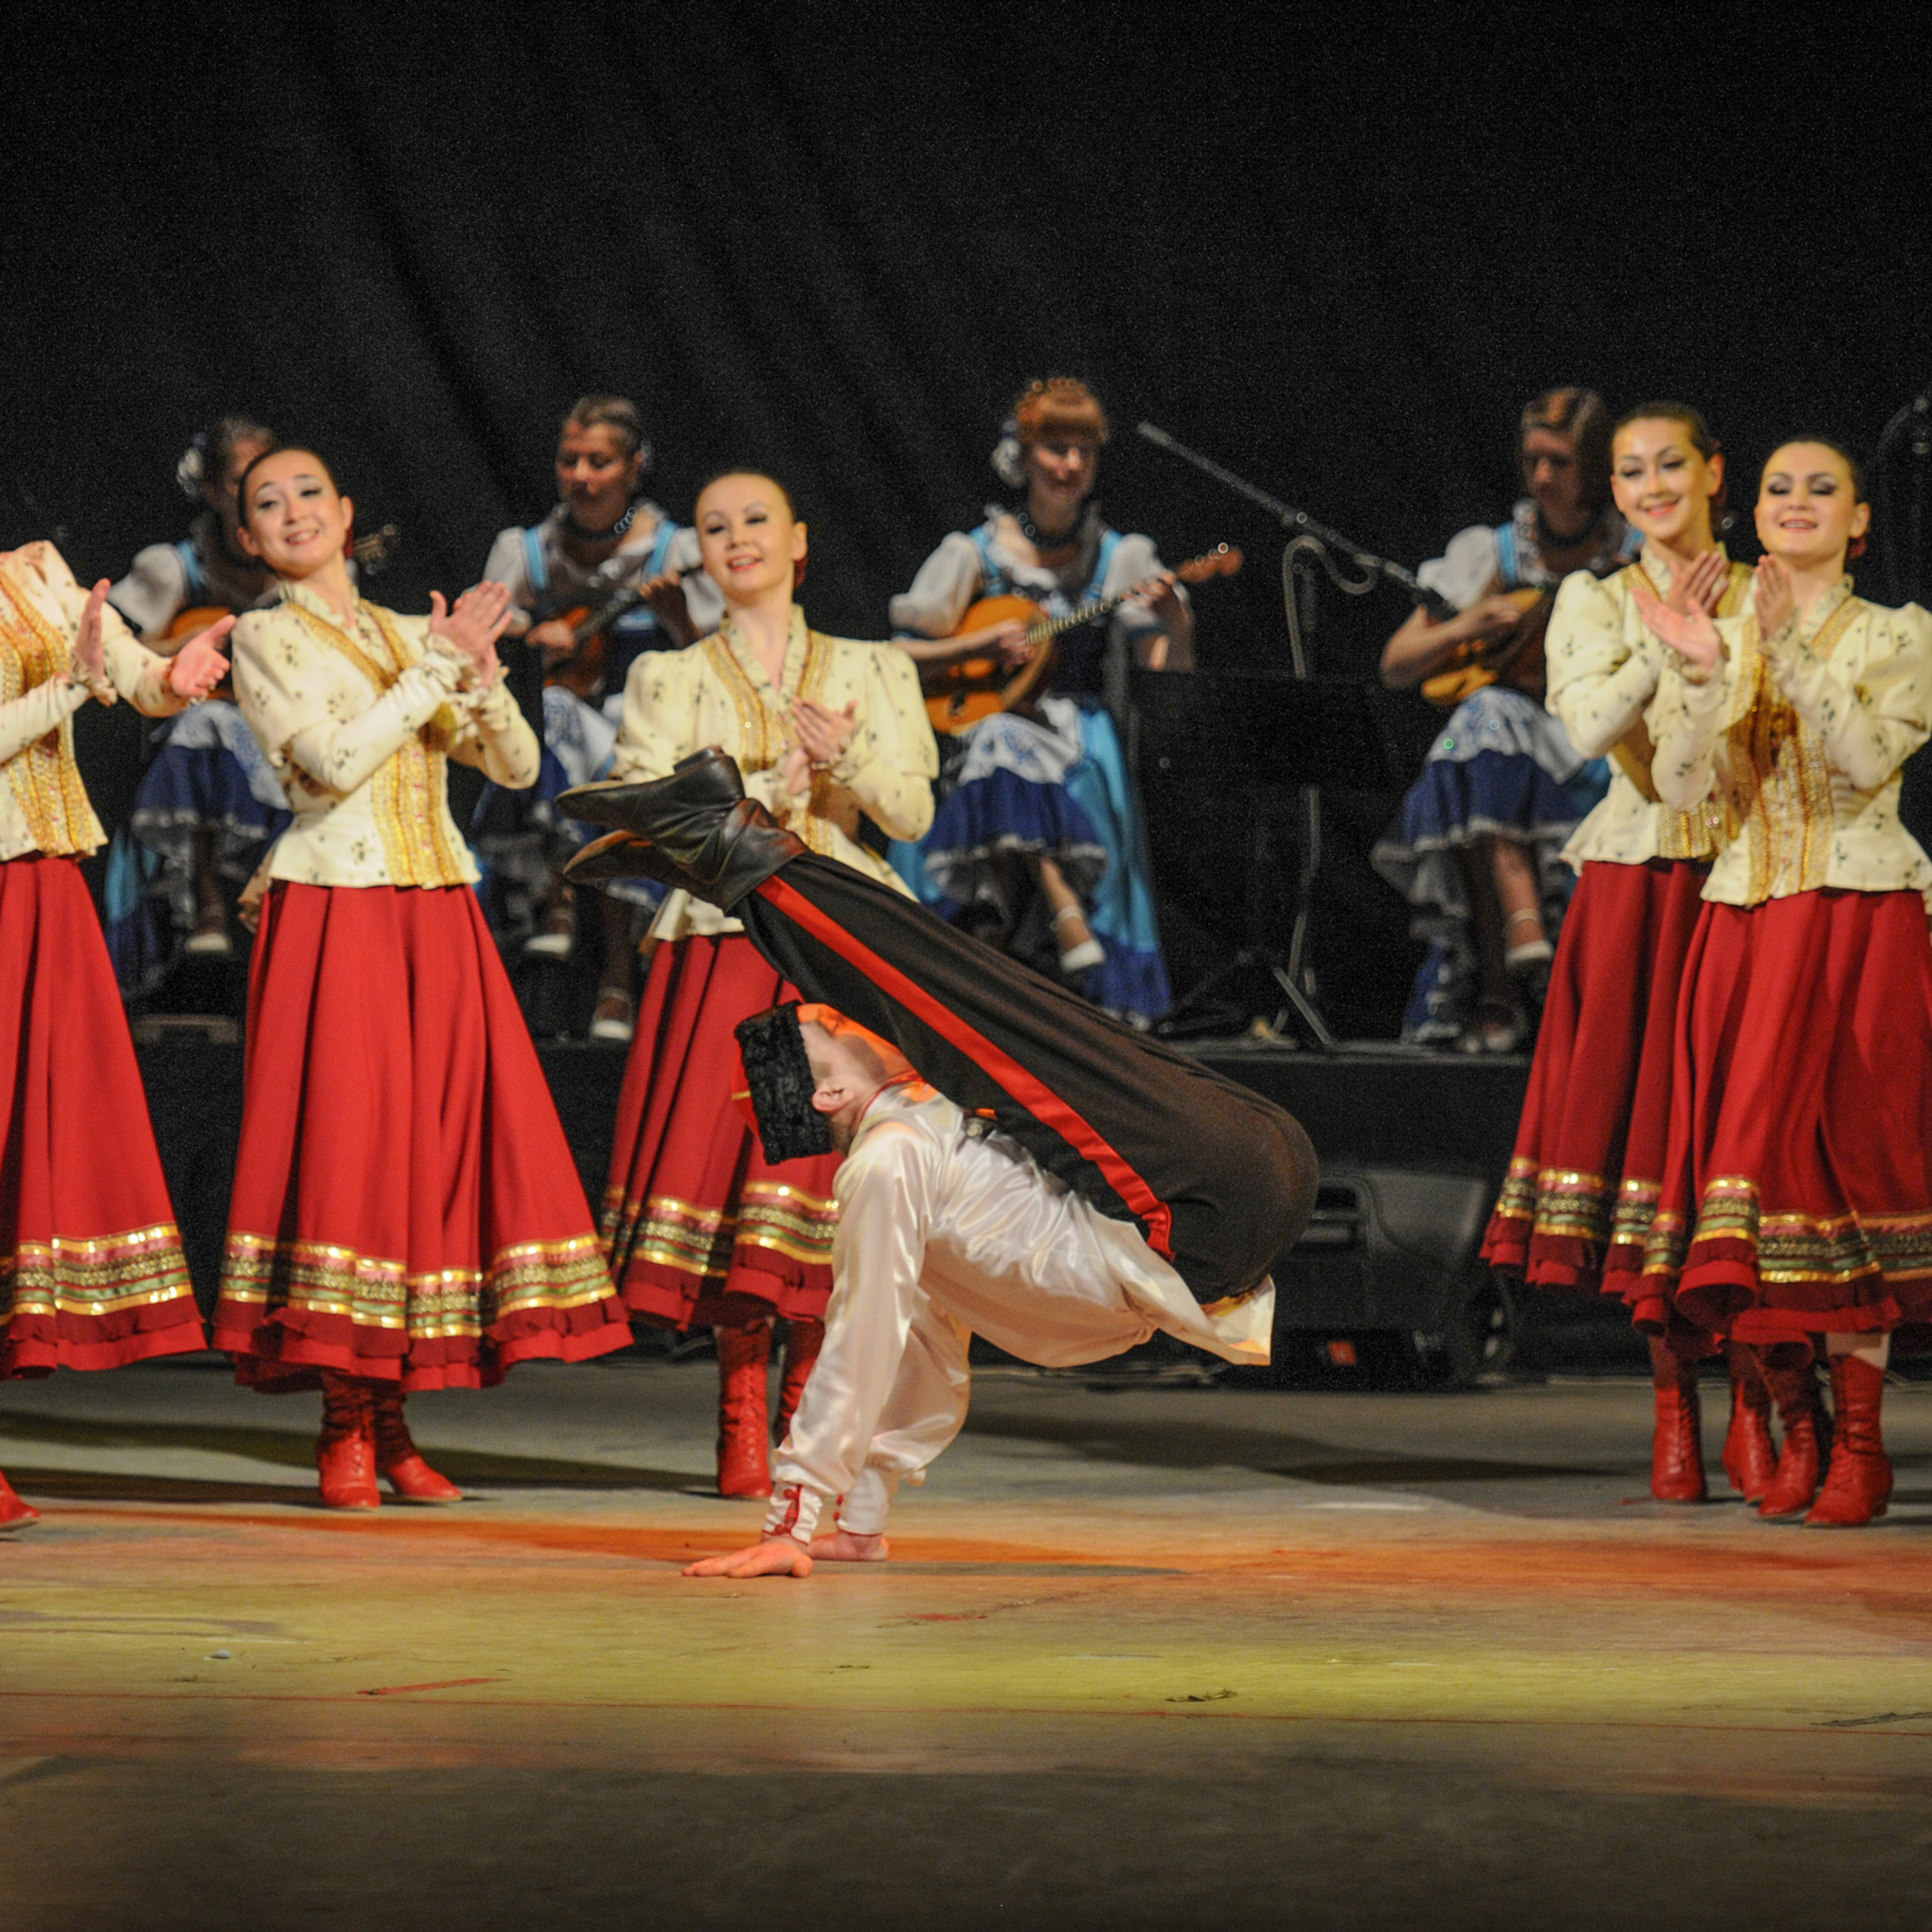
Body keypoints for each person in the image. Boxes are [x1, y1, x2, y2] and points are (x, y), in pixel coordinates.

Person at [549, 748, 1316, 1576]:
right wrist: (796, 1515)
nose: (843, 1019)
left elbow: (924, 1352)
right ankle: (725, 846)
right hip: (1193, 1214)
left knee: (982, 1000)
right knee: (955, 998)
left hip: (1230, 1170)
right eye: (829, 1030)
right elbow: (868, 1335)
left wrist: (865, 1517)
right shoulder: (888, 1163)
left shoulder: (925, 1132)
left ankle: (722, 865)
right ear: (829, 1099)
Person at [211, 447, 633, 1511]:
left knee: (425, 1162)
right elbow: (333, 766)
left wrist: (480, 681)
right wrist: (439, 671)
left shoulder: (410, 632)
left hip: (435, 906)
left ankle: (397, 1419)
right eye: (269, 504)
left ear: (348, 513)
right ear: (250, 539)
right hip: (337, 912)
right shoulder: (262, 636)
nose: (294, 511)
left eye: (311, 492)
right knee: (352, 1158)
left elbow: (522, 768)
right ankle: (346, 1424)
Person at [594, 469, 937, 1498]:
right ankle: (745, 1404)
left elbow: (913, 811)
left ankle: (802, 1407)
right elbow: (638, 818)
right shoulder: (669, 674)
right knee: (757, 1165)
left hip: (837, 943)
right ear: (697, 551)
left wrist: (851, 756)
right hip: (737, 939)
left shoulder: (874, 666)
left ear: (798, 540)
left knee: (823, 1174)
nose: (736, 538)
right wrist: (743, 799)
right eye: (714, 526)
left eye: (755, 521)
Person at [1478, 404, 1773, 1503]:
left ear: (1713, 472)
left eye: (1669, 466)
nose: (1650, 486)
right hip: (1642, 881)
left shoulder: (1763, 593)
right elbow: (1585, 732)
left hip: (1749, 877)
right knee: (1652, 1133)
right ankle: (1672, 1402)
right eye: (1630, 471)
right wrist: (1669, 646)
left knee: (1736, 1138)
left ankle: (1758, 1383)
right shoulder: (1594, 597)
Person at [1635, 438, 1932, 1527]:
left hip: (1858, 913)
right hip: (1745, 919)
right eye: (1778, 488)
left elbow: (1865, 761)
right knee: (1745, 1177)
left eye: (1822, 490)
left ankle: (1863, 1441)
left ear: (1858, 521)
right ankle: (1791, 1417)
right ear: (1750, 512)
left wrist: (1786, 648)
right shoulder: (1721, 635)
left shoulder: (1902, 634)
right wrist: (1703, 669)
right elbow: (1676, 786)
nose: (1796, 503)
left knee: (1848, 1162)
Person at [0, 543, 231, 1528]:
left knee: (23, 1159)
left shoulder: (33, 569)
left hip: (40, 881)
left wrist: (167, 682)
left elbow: (125, 669)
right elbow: (77, 683)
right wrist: (71, 688)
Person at [888, 377, 1188, 1026]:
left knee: (1005, 744)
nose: (1071, 465)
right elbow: (895, 657)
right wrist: (975, 646)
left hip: (1077, 741)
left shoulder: (1117, 557)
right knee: (997, 737)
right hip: (984, 733)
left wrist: (1177, 625)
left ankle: (1009, 934)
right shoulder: (975, 554)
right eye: (1055, 448)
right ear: (1022, 455)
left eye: (1085, 450)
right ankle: (1058, 909)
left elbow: (1166, 680)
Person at [1374, 388, 1637, 1052]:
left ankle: (1521, 984)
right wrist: (1467, 624)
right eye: (1532, 462)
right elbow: (1397, 665)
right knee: (1482, 723)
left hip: (1603, 739)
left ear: (1596, 466)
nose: (1543, 478)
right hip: (1515, 737)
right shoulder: (1495, 551)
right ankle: (1507, 956)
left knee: (1479, 748)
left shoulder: (1631, 549)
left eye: (1560, 463)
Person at [474, 395, 722, 1042]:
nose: (581, 475)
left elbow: (722, 667)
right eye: (569, 460)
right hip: (561, 734)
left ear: (635, 467)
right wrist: (529, 634)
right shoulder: (529, 551)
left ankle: (617, 974)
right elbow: (480, 640)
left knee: (629, 764)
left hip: (642, 730)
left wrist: (676, 623)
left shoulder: (676, 550)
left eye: (600, 461)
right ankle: (556, 904)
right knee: (549, 710)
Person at [107, 416, 289, 986]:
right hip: (193, 738)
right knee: (208, 723)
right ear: (212, 490)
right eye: (240, 479)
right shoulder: (174, 568)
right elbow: (116, 655)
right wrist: (180, 647)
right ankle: (206, 900)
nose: (259, 489)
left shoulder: (302, 568)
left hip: (282, 740)